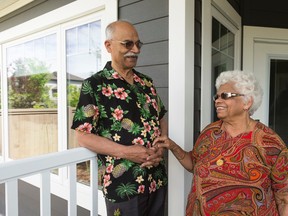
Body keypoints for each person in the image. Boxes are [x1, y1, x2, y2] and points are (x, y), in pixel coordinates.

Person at [153, 70, 288, 215]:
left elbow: (284, 198)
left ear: (247, 102)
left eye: (226, 96)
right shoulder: (210, 133)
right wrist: (173, 146)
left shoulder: (270, 143)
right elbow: (193, 163)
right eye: (216, 96)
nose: (217, 100)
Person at [71, 20, 168, 216]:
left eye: (138, 44)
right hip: (124, 186)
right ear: (109, 45)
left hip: (156, 179)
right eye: (127, 44)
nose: (135, 50)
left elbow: (161, 117)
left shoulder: (146, 82)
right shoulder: (95, 85)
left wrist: (159, 147)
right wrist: (127, 152)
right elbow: (83, 136)